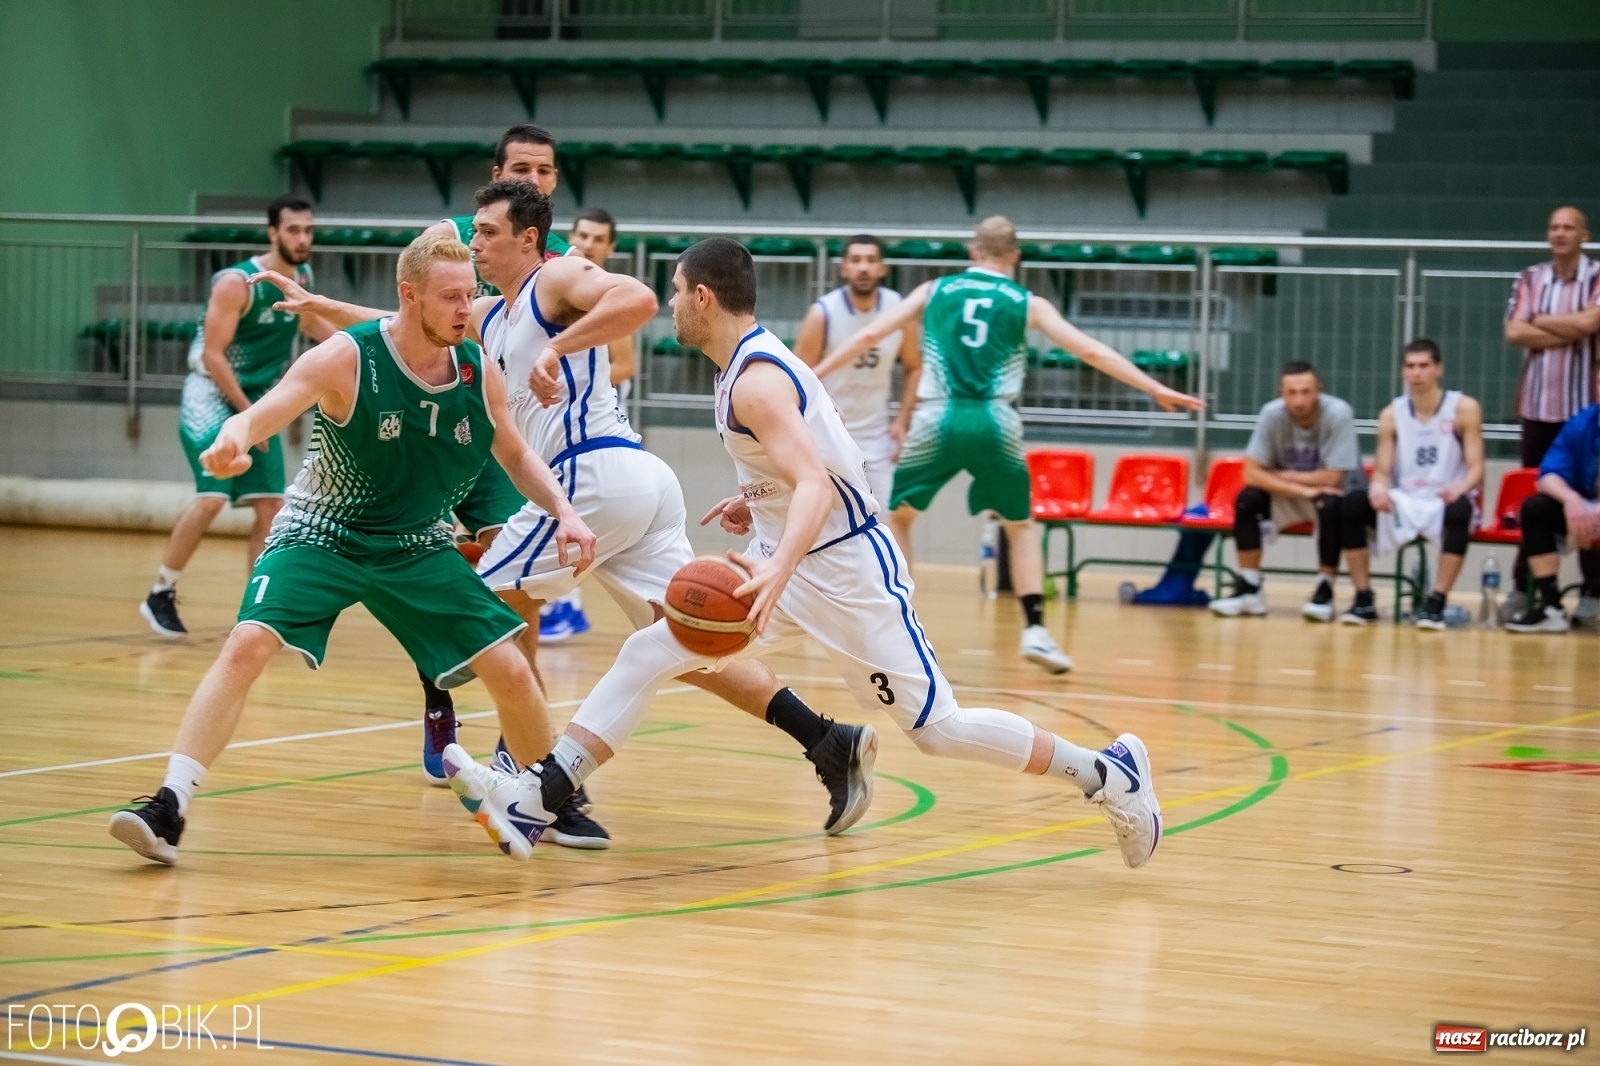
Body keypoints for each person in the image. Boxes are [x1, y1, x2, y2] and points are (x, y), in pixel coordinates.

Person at [444, 237, 1163, 871]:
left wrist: (779, 561)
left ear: (703, 295)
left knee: (941, 732)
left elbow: (816, 483)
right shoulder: (741, 367)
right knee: (651, 651)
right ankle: (541, 795)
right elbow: (805, 467)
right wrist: (754, 499)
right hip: (794, 561)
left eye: (674, 294)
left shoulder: (754, 381)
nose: (669, 308)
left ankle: (1108, 774)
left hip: (846, 571)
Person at [258, 186, 876, 849]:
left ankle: (541, 784)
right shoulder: (493, 316)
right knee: (693, 642)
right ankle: (827, 741)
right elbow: (404, 322)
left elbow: (636, 299)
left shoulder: (556, 276)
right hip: (636, 484)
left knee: (471, 591)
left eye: (489, 233)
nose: (476, 244)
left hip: (593, 478)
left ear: (527, 239)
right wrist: (323, 307)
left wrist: (559, 349)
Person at [108, 233, 597, 865]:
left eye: (470, 294)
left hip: (415, 544)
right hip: (323, 531)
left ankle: (539, 805)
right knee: (248, 643)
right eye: (450, 296)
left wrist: (565, 512)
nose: (464, 307)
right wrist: (233, 439)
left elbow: (515, 454)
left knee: (510, 669)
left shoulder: (478, 369)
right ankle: (168, 804)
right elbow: (264, 414)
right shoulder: (347, 357)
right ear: (408, 295)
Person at [817, 216, 1202, 675]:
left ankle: (903, 627)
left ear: (973, 252)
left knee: (899, 517)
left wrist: (813, 375)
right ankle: (1035, 627)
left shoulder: (933, 291)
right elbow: (1092, 352)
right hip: (996, 420)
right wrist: (1154, 388)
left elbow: (869, 335)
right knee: (1019, 527)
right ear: (1014, 256)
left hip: (936, 417)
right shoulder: (1027, 302)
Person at [139, 195, 336, 638]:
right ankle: (160, 593)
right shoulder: (237, 283)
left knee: (271, 506)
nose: (303, 238)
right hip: (209, 392)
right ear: (272, 233)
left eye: (308, 230)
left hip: (257, 397)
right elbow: (212, 355)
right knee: (211, 497)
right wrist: (250, 420)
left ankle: (258, 610)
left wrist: (372, 341)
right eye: (293, 230)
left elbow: (315, 329)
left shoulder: (300, 278)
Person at [538, 206, 639, 644]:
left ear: (611, 247)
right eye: (584, 234)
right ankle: (563, 604)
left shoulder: (610, 300)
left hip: (599, 429)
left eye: (600, 237)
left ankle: (565, 605)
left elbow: (627, 365)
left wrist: (575, 376)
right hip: (554, 420)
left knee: (578, 517)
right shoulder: (559, 289)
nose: (591, 242)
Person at [1209, 362, 1377, 624]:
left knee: (1331, 501)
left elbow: (1333, 477)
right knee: (1247, 499)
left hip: (1339, 497)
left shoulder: (1338, 413)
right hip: (1294, 494)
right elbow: (1251, 474)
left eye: (1306, 392)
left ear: (1318, 391)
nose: (1299, 400)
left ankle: (1324, 589)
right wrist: (1299, 488)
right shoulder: (1271, 414)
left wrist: (1280, 475)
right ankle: (1250, 588)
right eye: (1292, 392)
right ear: (1282, 393)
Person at [1503, 205, 1600, 624]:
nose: (1560, 234)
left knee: (1591, 502)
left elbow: (1594, 322)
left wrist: (1540, 320)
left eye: (1568, 227)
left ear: (1584, 235)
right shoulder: (1530, 277)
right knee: (1536, 501)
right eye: (1554, 227)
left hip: (1585, 413)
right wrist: (1573, 326)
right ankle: (1528, 591)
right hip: (1538, 408)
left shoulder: (1597, 277)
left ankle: (1594, 592)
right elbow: (1513, 331)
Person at [792, 234, 920, 506]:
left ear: (883, 268)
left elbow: (914, 367)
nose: (864, 267)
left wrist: (902, 421)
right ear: (844, 268)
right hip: (828, 435)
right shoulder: (823, 313)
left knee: (888, 520)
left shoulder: (899, 310)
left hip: (878, 439)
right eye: (856, 260)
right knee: (826, 522)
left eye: (871, 260)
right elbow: (795, 378)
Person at [1368, 339, 1485, 629]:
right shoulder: (1390, 414)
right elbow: (1381, 470)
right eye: (1410, 366)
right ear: (1402, 372)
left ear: (1438, 369)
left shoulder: (1464, 407)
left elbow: (1477, 468)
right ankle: (1361, 598)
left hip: (1447, 494)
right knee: (1351, 504)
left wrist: (1461, 487)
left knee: (1460, 510)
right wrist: (1377, 487)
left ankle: (1437, 601)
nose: (1416, 373)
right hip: (1407, 497)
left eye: (1423, 366)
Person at [1505, 402, 1600, 634]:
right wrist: (1570, 498)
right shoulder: (1583, 423)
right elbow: (1547, 475)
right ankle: (1551, 608)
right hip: (1590, 508)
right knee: (1535, 508)